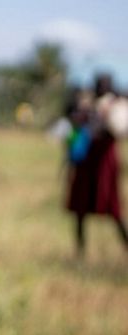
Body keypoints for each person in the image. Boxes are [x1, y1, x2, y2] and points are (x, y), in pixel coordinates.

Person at [66, 80, 128, 255]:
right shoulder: (87, 105)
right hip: (88, 163)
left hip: (105, 163)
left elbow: (118, 130)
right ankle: (80, 250)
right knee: (81, 206)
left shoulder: (116, 107)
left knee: (113, 206)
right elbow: (73, 119)